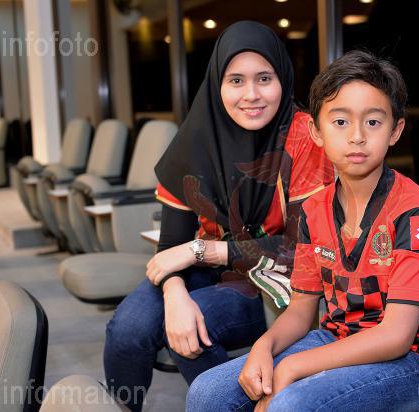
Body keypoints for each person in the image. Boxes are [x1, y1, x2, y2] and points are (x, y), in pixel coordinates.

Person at [185, 50, 419, 412]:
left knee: (291, 403)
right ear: (316, 131)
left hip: (415, 361)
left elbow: (397, 336)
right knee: (207, 392)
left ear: (395, 131)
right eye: (341, 122)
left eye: (373, 122)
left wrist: (294, 366)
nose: (357, 137)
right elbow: (301, 311)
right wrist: (264, 346)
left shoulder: (415, 213)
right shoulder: (314, 210)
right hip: (338, 337)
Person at [103, 21, 334, 411]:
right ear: (217, 83)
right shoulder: (197, 136)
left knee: (198, 326)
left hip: (279, 283)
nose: (251, 95)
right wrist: (175, 295)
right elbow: (171, 246)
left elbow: (300, 249)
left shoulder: (304, 138)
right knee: (127, 328)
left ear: (282, 78)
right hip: (206, 271)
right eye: (236, 81)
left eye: (264, 79)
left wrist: (204, 251)